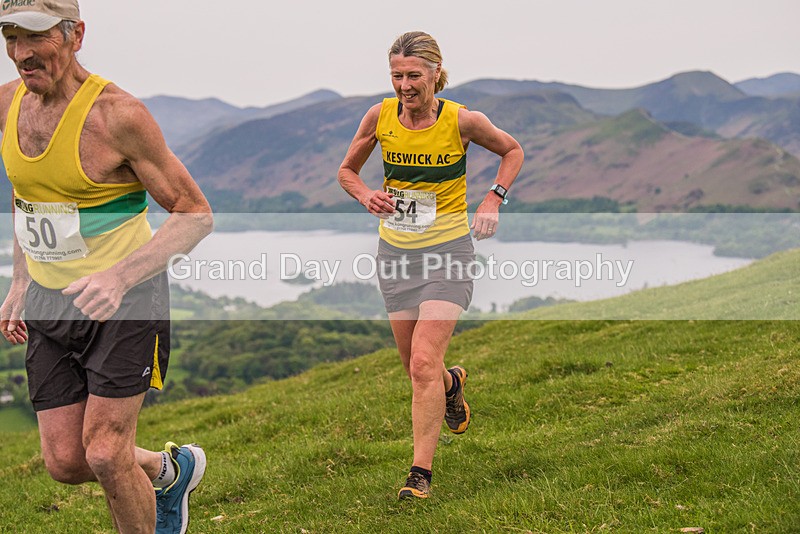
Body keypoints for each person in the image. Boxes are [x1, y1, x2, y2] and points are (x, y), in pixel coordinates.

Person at [0, 1, 213, 532]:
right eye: (10, 37)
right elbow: (28, 198)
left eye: (35, 37)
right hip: (50, 299)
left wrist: (118, 278)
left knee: (104, 452)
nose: (21, 53)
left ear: (76, 35)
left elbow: (195, 214)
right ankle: (171, 470)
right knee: (66, 462)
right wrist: (20, 279)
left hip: (127, 297)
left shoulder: (117, 116)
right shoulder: (6, 105)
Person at [338, 31, 523, 499]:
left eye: (413, 75)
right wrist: (366, 195)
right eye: (397, 75)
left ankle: (419, 475)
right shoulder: (379, 116)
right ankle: (452, 385)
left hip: (449, 253)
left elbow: (512, 151)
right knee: (418, 367)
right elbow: (346, 171)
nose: (404, 85)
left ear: (436, 73)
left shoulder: (463, 120)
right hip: (396, 255)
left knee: (423, 361)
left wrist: (493, 198)